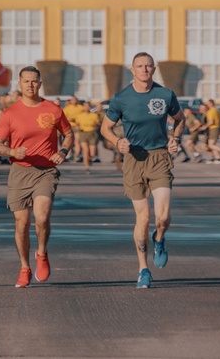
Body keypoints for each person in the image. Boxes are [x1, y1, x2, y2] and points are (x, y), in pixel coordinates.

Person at [100, 52, 183, 289]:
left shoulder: (165, 95)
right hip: (134, 159)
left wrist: (175, 138)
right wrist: (117, 142)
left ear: (153, 69)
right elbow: (106, 128)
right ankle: (143, 270)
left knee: (163, 216)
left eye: (148, 66)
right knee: (143, 218)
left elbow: (180, 118)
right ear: (132, 70)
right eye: (140, 66)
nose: (144, 70)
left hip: (159, 157)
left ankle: (160, 239)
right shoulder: (121, 98)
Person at [0, 66, 74, 287]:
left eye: (34, 81)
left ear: (40, 83)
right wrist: (11, 152)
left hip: (46, 171)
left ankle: (42, 253)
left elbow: (68, 134)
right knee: (21, 223)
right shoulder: (10, 113)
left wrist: (63, 152)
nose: (30, 85)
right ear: (19, 84)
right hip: (20, 172)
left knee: (42, 216)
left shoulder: (53, 109)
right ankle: (25, 267)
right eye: (26, 81)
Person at [75, 100, 102, 172]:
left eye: (88, 106)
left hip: (92, 133)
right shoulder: (80, 116)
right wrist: (77, 128)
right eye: (85, 106)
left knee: (92, 153)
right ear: (83, 107)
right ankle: (87, 167)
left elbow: (99, 123)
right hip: (83, 133)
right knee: (85, 151)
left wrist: (96, 124)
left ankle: (90, 159)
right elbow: (77, 124)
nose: (87, 107)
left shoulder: (94, 115)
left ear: (90, 107)